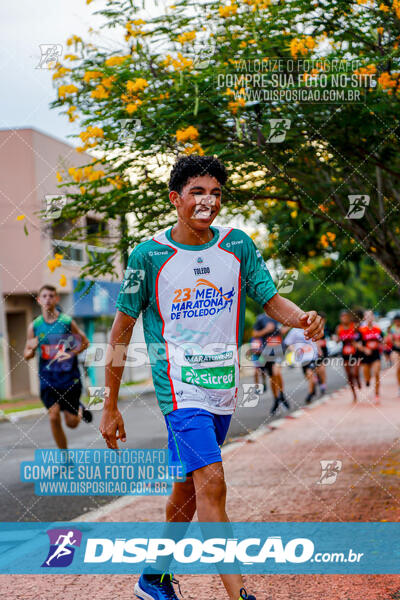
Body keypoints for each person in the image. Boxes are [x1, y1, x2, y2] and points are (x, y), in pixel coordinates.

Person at [99, 155, 324, 600]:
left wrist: (302, 319)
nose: (208, 201)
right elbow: (120, 332)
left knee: (185, 492)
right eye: (197, 192)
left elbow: (270, 298)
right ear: (175, 199)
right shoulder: (149, 256)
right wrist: (109, 405)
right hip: (178, 390)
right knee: (213, 484)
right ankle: (239, 595)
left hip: (223, 388)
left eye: (216, 192)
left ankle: (153, 577)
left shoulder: (236, 245)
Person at [24, 284, 91, 449]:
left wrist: (71, 354)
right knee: (53, 416)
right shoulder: (34, 326)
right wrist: (30, 351)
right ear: (39, 300)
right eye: (44, 296)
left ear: (57, 299)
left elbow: (84, 342)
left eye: (51, 296)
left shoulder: (67, 322)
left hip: (69, 377)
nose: (48, 299)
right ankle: (65, 457)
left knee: (72, 423)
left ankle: (79, 410)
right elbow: (27, 353)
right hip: (48, 378)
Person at [252, 313, 290, 416]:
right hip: (267, 351)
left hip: (278, 349)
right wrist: (266, 330)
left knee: (276, 372)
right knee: (272, 377)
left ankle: (281, 395)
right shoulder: (261, 318)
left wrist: (285, 328)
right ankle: (277, 399)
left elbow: (285, 327)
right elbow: (254, 334)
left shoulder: (278, 316)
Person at [284, 327, 319, 404]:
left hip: (312, 355)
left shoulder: (311, 328)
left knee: (310, 373)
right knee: (307, 376)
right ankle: (313, 385)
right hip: (302, 358)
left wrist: (319, 351)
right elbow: (288, 343)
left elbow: (317, 340)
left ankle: (310, 395)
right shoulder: (294, 331)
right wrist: (295, 350)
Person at [335, 309, 360, 403]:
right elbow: (337, 340)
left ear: (349, 317)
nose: (344, 318)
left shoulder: (354, 326)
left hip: (355, 353)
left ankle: (358, 380)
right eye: (342, 317)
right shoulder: (339, 328)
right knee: (349, 375)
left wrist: (356, 342)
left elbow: (359, 336)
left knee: (355, 373)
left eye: (346, 316)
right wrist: (336, 339)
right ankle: (354, 394)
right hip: (345, 353)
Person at [358, 310, 383, 404]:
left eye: (370, 316)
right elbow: (356, 343)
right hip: (365, 356)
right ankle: (367, 380)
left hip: (376, 355)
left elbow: (382, 339)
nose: (369, 318)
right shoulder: (362, 330)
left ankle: (376, 394)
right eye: (367, 316)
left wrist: (382, 344)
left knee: (376, 373)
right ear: (364, 318)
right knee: (367, 375)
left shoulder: (377, 329)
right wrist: (364, 349)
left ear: (373, 317)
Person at [386, 314, 400, 396]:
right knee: (398, 368)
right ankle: (399, 386)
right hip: (396, 350)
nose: (397, 322)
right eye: (396, 320)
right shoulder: (392, 329)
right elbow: (389, 340)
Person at [315, 311, 328, 395]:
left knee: (322, 369)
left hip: (324, 350)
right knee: (318, 370)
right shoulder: (315, 328)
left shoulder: (326, 328)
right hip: (316, 351)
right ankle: (319, 381)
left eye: (323, 319)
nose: (322, 321)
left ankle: (323, 385)